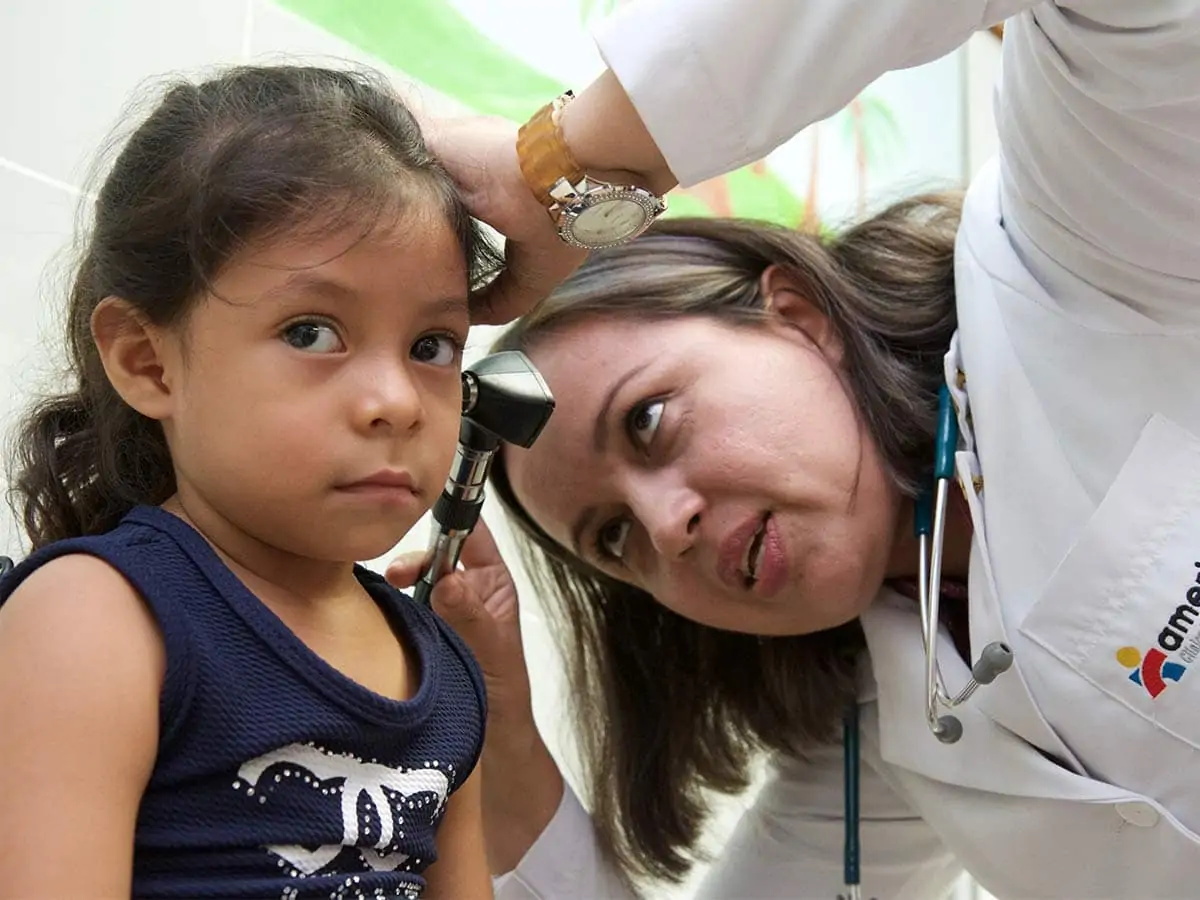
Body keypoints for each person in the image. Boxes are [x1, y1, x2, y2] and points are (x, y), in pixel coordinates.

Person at [386, 0, 1200, 897]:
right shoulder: (891, 738)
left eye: (649, 421)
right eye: (614, 538)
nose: (668, 527)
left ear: (797, 317)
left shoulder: (1081, 265)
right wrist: (498, 720)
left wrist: (569, 169)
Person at [0, 65, 498, 900]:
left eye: (432, 346)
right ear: (147, 359)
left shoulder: (447, 672)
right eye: (313, 332)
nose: (396, 403)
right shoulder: (93, 619)